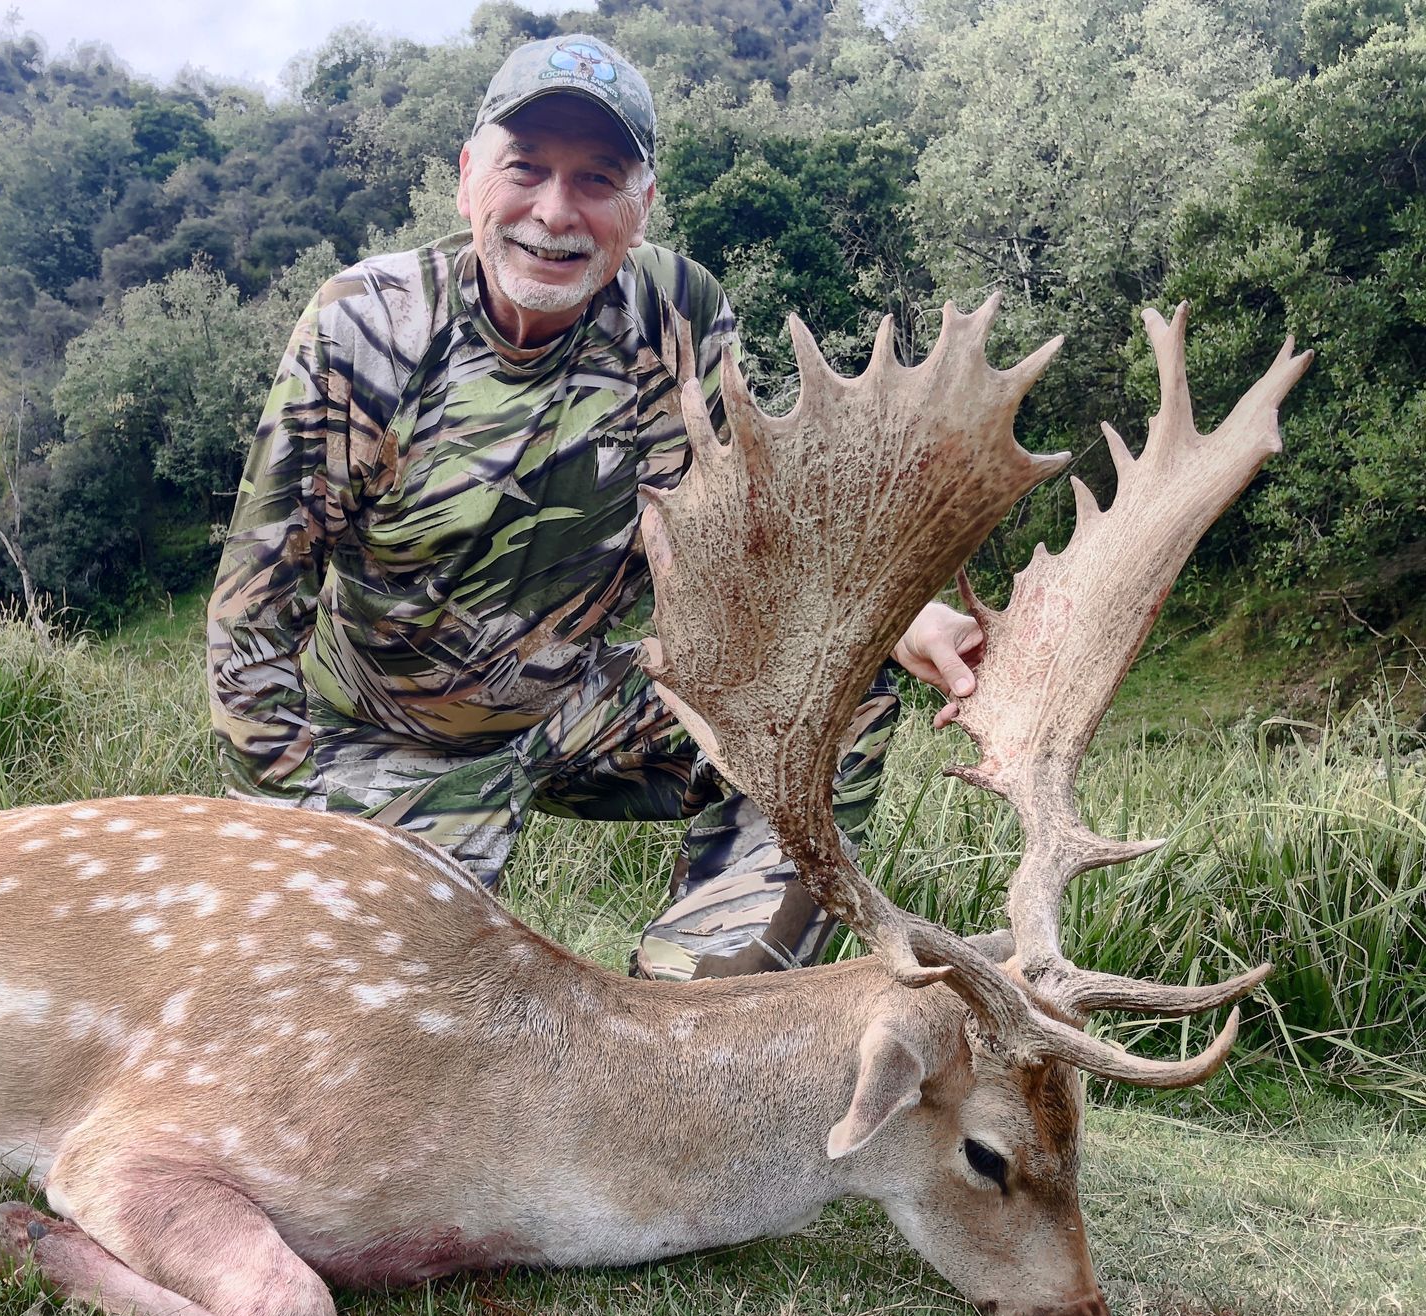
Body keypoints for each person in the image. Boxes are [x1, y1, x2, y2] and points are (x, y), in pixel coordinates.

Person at [207, 34, 981, 980]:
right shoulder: (365, 327)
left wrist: (894, 621)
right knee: (412, 1018)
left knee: (836, 695)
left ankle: (709, 1003)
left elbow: (737, 543)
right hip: (383, 737)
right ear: (467, 180)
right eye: (526, 168)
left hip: (573, 709)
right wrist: (304, 840)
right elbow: (250, 624)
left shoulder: (678, 313)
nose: (555, 212)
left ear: (641, 206)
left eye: (598, 178)